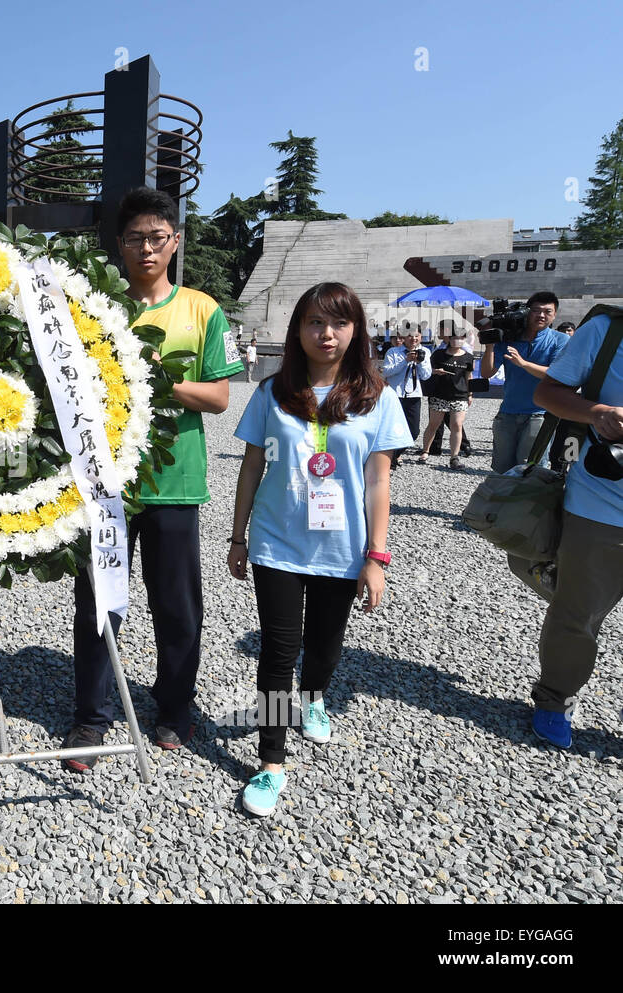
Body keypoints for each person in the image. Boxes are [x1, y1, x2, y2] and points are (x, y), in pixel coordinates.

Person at [64, 187, 243, 770]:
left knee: (176, 605)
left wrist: (152, 380)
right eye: (136, 238)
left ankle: (174, 708)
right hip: (105, 483)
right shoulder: (94, 307)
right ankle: (89, 718)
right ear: (119, 245)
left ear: (175, 242)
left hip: (174, 481)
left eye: (157, 237)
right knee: (98, 604)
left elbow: (218, 396)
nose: (146, 248)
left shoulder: (201, 308)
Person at [228, 282, 411, 817]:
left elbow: (379, 484)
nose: (325, 334)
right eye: (313, 323)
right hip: (277, 542)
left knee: (326, 644)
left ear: (356, 330)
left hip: (344, 548)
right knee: (278, 650)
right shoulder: (272, 392)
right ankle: (271, 761)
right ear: (298, 330)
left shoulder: (378, 398)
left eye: (338, 323)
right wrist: (238, 537)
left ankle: (314, 699)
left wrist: (377, 557)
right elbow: (251, 467)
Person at [527, 312, 623, 748]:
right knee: (578, 614)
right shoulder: (606, 332)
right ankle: (555, 699)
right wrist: (597, 411)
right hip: (603, 505)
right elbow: (548, 391)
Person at [479, 291, 570, 473]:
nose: (541, 315)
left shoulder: (560, 340)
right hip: (507, 412)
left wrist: (523, 364)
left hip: (540, 414)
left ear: (555, 315)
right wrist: (490, 344)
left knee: (530, 469)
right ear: (528, 311)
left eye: (547, 311)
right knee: (501, 470)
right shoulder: (509, 338)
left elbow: (554, 375)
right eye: (536, 310)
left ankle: (526, 502)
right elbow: (487, 372)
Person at [419, 320, 475, 469]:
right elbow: (426, 371)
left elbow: (468, 376)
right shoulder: (438, 354)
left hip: (460, 395)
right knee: (434, 424)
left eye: (462, 337)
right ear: (449, 339)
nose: (458, 340)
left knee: (456, 425)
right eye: (455, 337)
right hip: (439, 394)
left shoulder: (468, 357)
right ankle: (426, 450)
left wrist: (470, 394)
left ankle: (454, 457)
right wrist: (436, 372)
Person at [381, 327, 431, 468]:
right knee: (392, 428)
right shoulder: (393, 352)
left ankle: (392, 456)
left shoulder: (425, 352)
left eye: (416, 335)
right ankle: (388, 461)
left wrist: (419, 363)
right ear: (403, 337)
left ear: (421, 336)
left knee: (413, 432)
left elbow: (426, 376)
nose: (413, 338)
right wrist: (405, 360)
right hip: (394, 395)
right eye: (409, 335)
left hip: (414, 395)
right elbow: (386, 371)